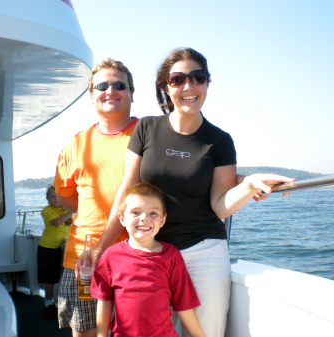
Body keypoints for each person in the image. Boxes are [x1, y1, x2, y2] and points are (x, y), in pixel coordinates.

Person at [88, 47, 295, 337]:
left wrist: (248, 185)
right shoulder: (146, 128)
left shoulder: (219, 141)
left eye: (198, 78)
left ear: (207, 83)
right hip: (151, 253)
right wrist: (102, 246)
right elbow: (127, 189)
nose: (189, 86)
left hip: (204, 252)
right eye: (178, 79)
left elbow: (220, 205)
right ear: (165, 86)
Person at [53, 58, 138, 336]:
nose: (110, 90)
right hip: (84, 260)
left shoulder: (149, 135)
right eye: (102, 85)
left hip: (137, 256)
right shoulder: (74, 145)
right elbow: (65, 196)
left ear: (131, 93)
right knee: (85, 331)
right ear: (92, 96)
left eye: (119, 85)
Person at [91, 183, 204, 337]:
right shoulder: (110, 257)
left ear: (163, 221)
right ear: (122, 219)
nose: (144, 218)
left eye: (153, 213)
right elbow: (104, 302)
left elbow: (183, 304)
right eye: (136, 212)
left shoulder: (172, 255)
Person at [38, 184, 74, 319]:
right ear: (48, 199)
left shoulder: (65, 211)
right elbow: (57, 223)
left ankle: (58, 304)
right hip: (46, 249)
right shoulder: (47, 211)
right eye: (53, 196)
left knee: (58, 277)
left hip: (59, 247)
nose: (56, 199)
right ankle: (48, 304)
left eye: (59, 196)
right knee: (49, 279)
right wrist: (71, 211)